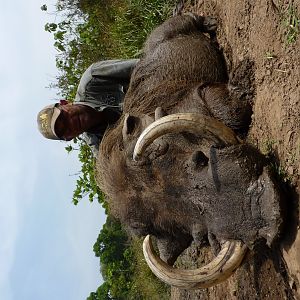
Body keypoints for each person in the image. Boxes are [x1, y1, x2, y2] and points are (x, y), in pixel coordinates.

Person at [37, 59, 139, 157]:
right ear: (69, 138)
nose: (71, 124)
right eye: (66, 130)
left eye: (64, 117)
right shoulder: (103, 150)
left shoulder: (93, 78)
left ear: (65, 103)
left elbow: (144, 65)